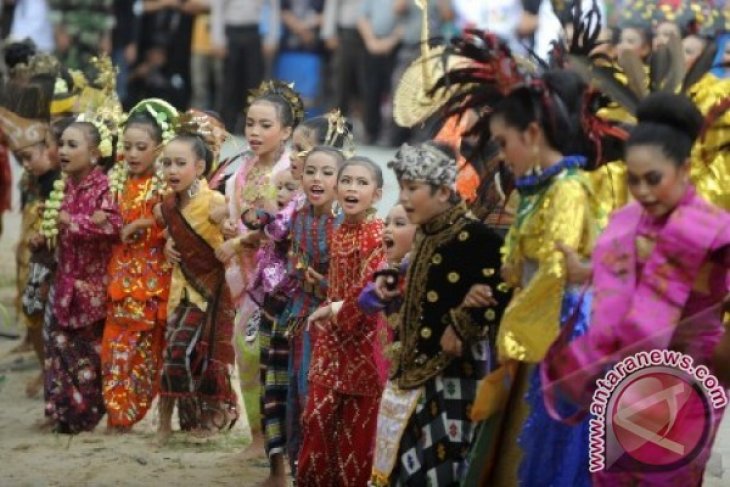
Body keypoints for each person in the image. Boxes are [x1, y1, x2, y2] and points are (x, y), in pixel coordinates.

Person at [543, 92, 730, 485]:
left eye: (653, 179)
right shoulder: (625, 223)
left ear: (684, 168)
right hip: (625, 383)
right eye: (633, 180)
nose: (642, 191)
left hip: (690, 385)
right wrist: (586, 272)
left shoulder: (714, 230)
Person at [367, 142, 510, 486]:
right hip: (412, 369)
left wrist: (462, 325)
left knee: (442, 468)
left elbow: (502, 287)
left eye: (412, 188)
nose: (403, 197)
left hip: (452, 374)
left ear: (444, 191)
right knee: (406, 462)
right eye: (402, 188)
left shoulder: (477, 237)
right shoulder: (427, 233)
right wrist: (392, 280)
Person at [217, 80, 303, 437]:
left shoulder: (292, 172)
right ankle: (259, 437)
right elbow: (236, 213)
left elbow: (286, 222)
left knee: (269, 357)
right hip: (249, 277)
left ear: (286, 131)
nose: (254, 132)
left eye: (265, 125)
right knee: (247, 353)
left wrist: (239, 241)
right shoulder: (241, 169)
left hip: (282, 278)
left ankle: (278, 439)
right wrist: (227, 220)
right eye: (250, 123)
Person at [297, 156, 385, 486]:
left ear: (377, 194)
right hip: (333, 340)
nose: (352, 188)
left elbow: (369, 289)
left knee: (356, 430)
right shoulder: (338, 230)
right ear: (336, 189)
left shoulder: (377, 234)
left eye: (362, 183)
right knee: (317, 418)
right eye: (347, 181)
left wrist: (334, 309)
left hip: (364, 344)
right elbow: (340, 283)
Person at [156, 117, 237, 443]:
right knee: (172, 352)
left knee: (192, 354)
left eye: (180, 163)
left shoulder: (215, 202)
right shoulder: (167, 204)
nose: (172, 170)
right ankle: (167, 423)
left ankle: (211, 416)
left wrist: (232, 231)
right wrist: (166, 242)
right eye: (166, 163)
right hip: (181, 289)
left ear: (200, 167)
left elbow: (233, 237)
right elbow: (170, 230)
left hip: (211, 293)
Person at [44, 113, 124, 434]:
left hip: (91, 289)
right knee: (59, 347)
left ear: (94, 154)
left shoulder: (104, 187)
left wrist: (73, 223)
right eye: (61, 143)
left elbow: (114, 225)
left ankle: (85, 415)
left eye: (72, 145)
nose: (63, 150)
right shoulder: (63, 187)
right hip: (65, 286)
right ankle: (63, 412)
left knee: (87, 353)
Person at [102, 99, 177, 432]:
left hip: (152, 279)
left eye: (141, 147)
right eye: (127, 146)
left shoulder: (166, 188)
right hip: (119, 276)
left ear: (158, 149)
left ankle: (131, 411)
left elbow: (176, 226)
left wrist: (146, 223)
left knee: (144, 349)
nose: (132, 154)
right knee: (114, 345)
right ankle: (116, 411)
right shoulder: (115, 183)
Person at [211, 0, 280, 132]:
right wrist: (217, 39)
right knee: (229, 85)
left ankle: (250, 125)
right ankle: (227, 126)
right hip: (231, 32)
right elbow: (218, 8)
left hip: (255, 32)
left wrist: (272, 38)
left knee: (253, 82)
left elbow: (273, 8)